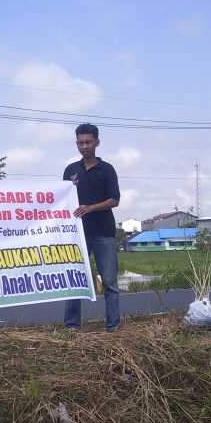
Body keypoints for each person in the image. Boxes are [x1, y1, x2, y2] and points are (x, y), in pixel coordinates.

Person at [62, 123, 121, 332]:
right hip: (77, 235)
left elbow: (115, 200)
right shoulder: (71, 170)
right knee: (74, 280)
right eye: (80, 142)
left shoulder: (107, 170)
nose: (84, 146)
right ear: (76, 143)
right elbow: (62, 199)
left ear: (97, 142)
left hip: (103, 233)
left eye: (88, 142)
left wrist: (91, 208)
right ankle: (72, 325)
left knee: (109, 282)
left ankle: (113, 326)